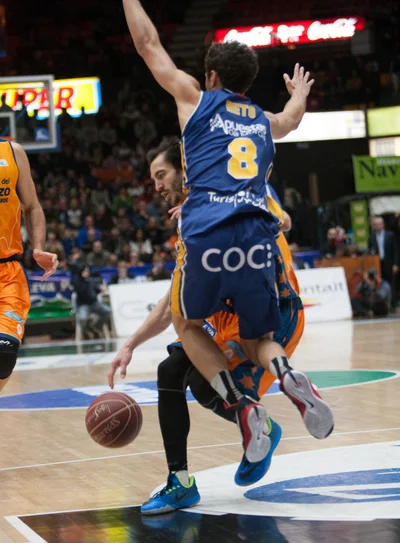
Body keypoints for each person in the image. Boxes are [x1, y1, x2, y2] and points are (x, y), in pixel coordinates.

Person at [123, 0, 316, 467]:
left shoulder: (195, 100)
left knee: (186, 324)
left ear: (210, 77)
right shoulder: (263, 120)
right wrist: (299, 93)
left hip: (208, 230)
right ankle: (286, 372)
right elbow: (291, 120)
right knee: (257, 339)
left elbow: (148, 45)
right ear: (247, 83)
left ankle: (242, 404)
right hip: (256, 236)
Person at [108, 140, 332, 514]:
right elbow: (174, 298)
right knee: (177, 369)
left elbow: (281, 219)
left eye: (162, 175)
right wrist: (130, 344)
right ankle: (252, 421)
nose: (158, 186)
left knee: (195, 372)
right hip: (235, 308)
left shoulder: (211, 203)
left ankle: (204, 462)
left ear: (184, 167)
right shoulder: (205, 209)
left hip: (270, 305)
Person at [0, 140, 58, 392]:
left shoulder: (13, 152)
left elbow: (32, 206)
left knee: (3, 354)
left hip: (7, 272)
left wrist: (37, 247)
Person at [71, 265, 111, 338]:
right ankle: (86, 330)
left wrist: (101, 288)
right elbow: (81, 291)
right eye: (85, 271)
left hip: (94, 304)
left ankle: (96, 326)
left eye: (87, 271)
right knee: (83, 318)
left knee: (107, 311)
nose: (87, 272)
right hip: (83, 305)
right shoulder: (78, 282)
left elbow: (96, 289)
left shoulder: (91, 281)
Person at [368, 216, 399, 309]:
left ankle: (393, 304)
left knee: (391, 283)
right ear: (373, 226)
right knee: (380, 283)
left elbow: (396, 250)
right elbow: (370, 252)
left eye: (379, 224)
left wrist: (396, 264)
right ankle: (383, 305)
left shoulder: (391, 235)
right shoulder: (371, 237)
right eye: (375, 224)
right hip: (378, 263)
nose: (378, 226)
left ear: (383, 225)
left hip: (389, 263)